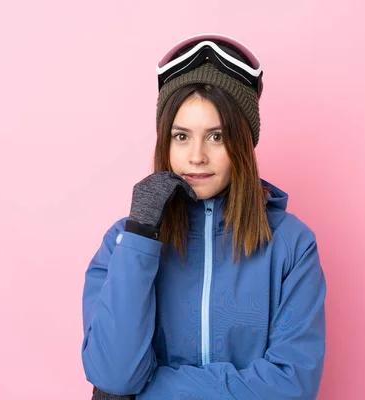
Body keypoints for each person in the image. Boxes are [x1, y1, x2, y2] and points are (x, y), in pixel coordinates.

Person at [81, 33, 326, 399]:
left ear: (242, 144)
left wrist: (150, 390)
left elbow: (292, 387)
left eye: (216, 137)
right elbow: (114, 376)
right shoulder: (123, 243)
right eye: (181, 137)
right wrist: (141, 236)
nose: (196, 156)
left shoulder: (291, 244)